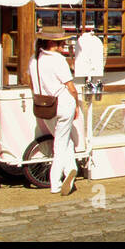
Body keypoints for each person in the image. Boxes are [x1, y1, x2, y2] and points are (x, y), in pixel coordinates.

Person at [27, 28, 81, 196]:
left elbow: (31, 83)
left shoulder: (34, 60)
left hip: (44, 106)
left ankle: (71, 170)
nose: (64, 44)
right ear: (52, 43)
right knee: (60, 144)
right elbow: (70, 87)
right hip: (62, 104)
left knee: (65, 141)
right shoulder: (57, 60)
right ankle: (56, 182)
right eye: (61, 42)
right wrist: (77, 104)